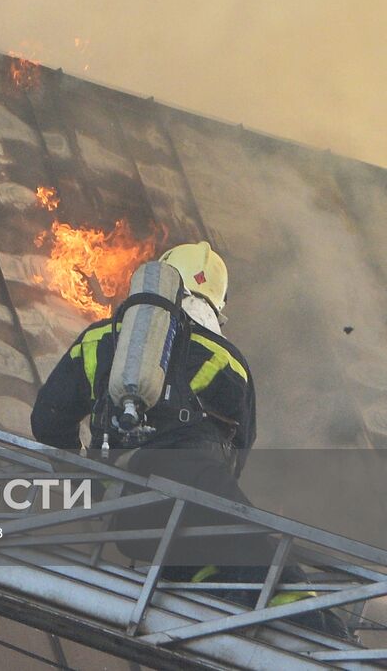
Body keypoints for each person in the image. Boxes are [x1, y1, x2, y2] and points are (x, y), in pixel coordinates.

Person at [31, 242, 345, 636]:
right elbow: (238, 454)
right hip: (195, 503)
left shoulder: (99, 339)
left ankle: (226, 592)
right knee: (249, 545)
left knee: (203, 557)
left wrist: (88, 481)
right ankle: (311, 621)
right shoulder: (228, 359)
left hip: (127, 518)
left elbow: (48, 421)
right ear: (216, 303)